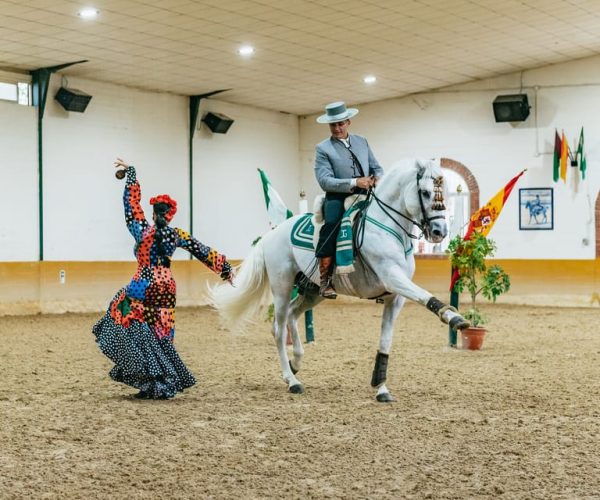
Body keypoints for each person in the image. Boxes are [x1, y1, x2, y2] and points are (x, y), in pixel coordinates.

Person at [92, 158, 235, 399]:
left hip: (142, 284)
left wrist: (132, 176)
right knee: (161, 333)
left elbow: (131, 206)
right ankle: (164, 381)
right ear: (170, 215)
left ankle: (147, 381)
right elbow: (202, 250)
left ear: (153, 213)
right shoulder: (177, 235)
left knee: (128, 322)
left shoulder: (142, 230)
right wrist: (225, 269)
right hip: (166, 287)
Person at [314, 102, 384, 298]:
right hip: (337, 196)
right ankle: (325, 278)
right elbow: (324, 180)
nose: (337, 128)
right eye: (333, 125)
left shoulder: (362, 141)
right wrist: (355, 182)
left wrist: (377, 178)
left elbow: (376, 167)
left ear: (348, 121)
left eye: (341, 124)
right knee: (332, 226)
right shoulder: (323, 148)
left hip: (364, 194)